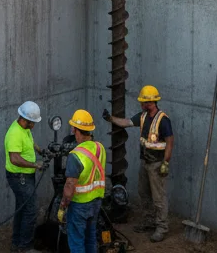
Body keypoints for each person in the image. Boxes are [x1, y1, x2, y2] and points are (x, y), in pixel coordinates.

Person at [102, 85, 173, 242]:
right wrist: (111, 119)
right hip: (145, 163)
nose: (141, 104)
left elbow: (169, 142)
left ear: (150, 102)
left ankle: (161, 227)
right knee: (144, 193)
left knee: (158, 198)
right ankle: (149, 221)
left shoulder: (163, 120)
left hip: (157, 164)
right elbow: (126, 122)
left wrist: (165, 163)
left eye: (143, 102)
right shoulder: (143, 116)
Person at [56, 109, 106, 253]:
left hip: (79, 205)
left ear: (77, 131)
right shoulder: (99, 147)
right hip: (96, 201)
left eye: (74, 129)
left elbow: (70, 185)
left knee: (77, 242)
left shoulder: (75, 155)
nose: (73, 132)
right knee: (90, 238)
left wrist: (63, 206)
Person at [5, 101, 44, 253]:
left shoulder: (24, 129)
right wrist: (36, 165)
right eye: (32, 123)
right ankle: (25, 247)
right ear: (25, 120)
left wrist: (41, 151)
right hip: (19, 177)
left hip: (25, 176)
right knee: (31, 209)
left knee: (21, 209)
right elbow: (14, 158)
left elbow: (30, 142)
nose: (34, 126)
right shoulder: (14, 133)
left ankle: (16, 243)